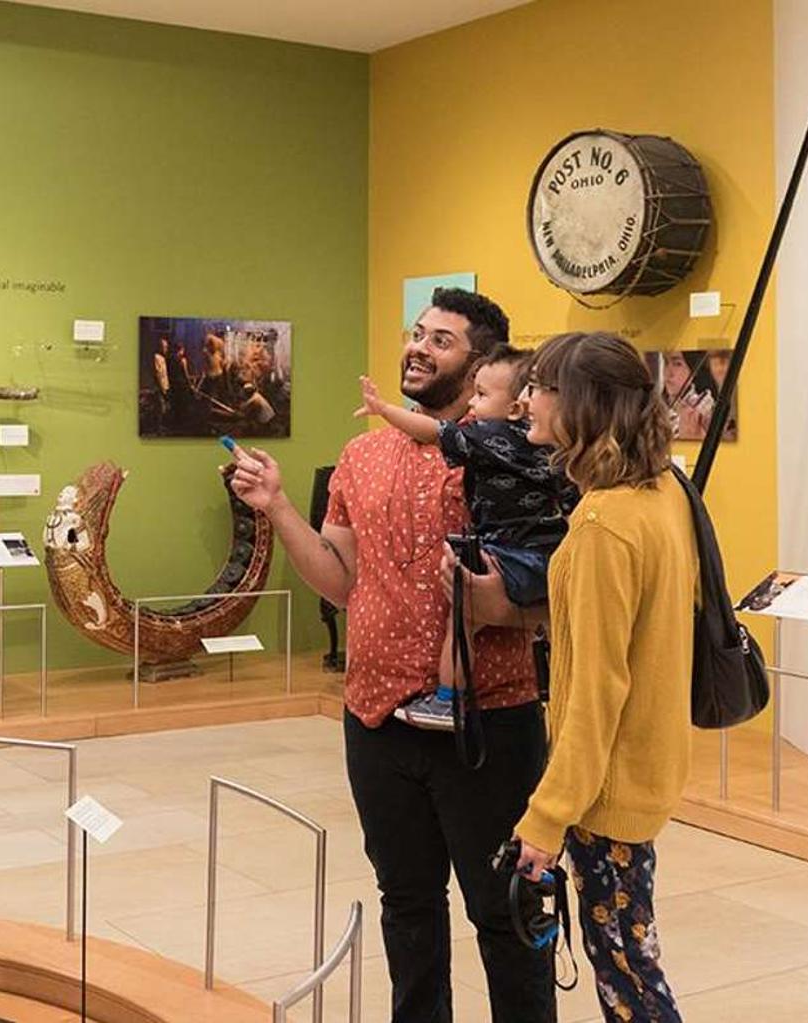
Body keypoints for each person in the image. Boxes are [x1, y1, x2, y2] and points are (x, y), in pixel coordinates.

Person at [229, 287, 556, 1023]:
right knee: (406, 906)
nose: (418, 347)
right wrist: (279, 508)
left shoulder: (515, 454)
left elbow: (555, 586)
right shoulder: (362, 453)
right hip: (376, 718)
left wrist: (492, 605)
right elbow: (342, 583)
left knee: (505, 913)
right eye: (418, 332)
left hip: (487, 723)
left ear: (481, 365)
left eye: (442, 340)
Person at [507, 332, 698, 1023]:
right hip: (643, 765)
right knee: (628, 964)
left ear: (579, 404)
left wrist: (547, 815)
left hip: (607, 790)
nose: (526, 399)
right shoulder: (660, 493)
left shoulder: (602, 523)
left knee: (629, 979)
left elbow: (595, 688)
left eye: (540, 387)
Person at [354, 348, 576, 731]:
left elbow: (434, 432)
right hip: (548, 555)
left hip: (506, 552)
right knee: (559, 619)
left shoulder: (491, 435)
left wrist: (386, 410)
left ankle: (446, 699)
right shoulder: (551, 444)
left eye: (482, 395)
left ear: (516, 408)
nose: (471, 403)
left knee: (463, 618)